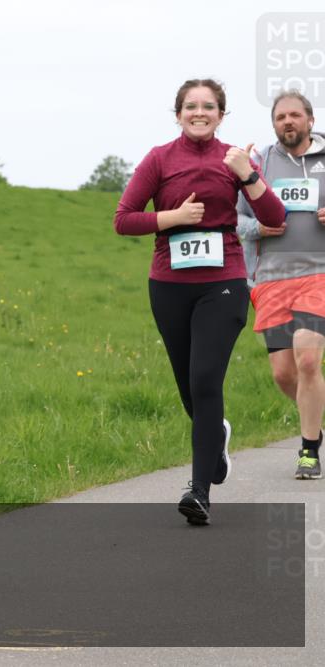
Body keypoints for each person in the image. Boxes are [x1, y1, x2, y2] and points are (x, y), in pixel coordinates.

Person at [114, 79, 286, 525]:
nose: (199, 112)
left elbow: (274, 219)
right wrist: (173, 217)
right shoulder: (159, 159)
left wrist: (247, 175)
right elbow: (124, 219)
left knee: (206, 379)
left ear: (221, 115)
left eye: (209, 106)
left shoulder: (235, 158)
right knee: (190, 387)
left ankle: (199, 491)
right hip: (168, 283)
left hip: (224, 281)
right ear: (178, 114)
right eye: (190, 106)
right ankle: (217, 438)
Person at [236, 90, 325, 480]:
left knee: (308, 358)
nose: (287, 122)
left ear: (310, 120)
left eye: (294, 115)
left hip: (319, 274)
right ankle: (316, 421)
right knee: (284, 374)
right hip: (271, 279)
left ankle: (308, 451)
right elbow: (233, 221)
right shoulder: (259, 163)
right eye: (280, 117)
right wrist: (259, 226)